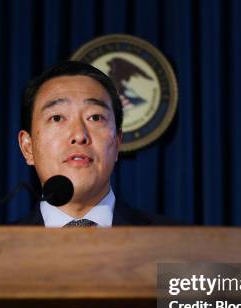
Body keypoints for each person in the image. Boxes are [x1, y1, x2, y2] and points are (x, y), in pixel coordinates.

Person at [17, 61, 174, 226]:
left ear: (117, 143)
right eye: (57, 118)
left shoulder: (180, 243)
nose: (79, 135)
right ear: (27, 147)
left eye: (95, 117)